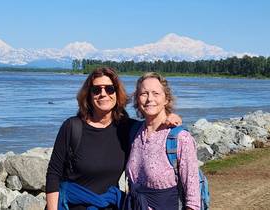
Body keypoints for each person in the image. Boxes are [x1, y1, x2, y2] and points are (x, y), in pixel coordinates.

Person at [45, 67, 182, 210]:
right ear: (89, 95)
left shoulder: (127, 128)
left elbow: (152, 124)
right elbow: (54, 173)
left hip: (111, 206)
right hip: (71, 206)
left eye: (109, 89)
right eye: (96, 90)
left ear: (117, 93)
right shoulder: (72, 127)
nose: (103, 94)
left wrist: (170, 118)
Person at [125, 72, 200, 210]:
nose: (149, 99)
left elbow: (193, 199)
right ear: (137, 99)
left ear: (166, 99)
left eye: (156, 93)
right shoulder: (134, 131)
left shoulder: (180, 138)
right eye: (144, 93)